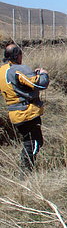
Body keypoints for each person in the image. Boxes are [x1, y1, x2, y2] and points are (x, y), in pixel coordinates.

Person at [0, 43, 50, 171]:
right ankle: (26, 172)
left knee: (30, 141)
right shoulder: (18, 69)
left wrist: (33, 74)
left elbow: (18, 84)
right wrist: (43, 74)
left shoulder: (2, 71)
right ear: (17, 56)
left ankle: (26, 169)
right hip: (26, 112)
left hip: (14, 113)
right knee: (34, 142)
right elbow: (40, 84)